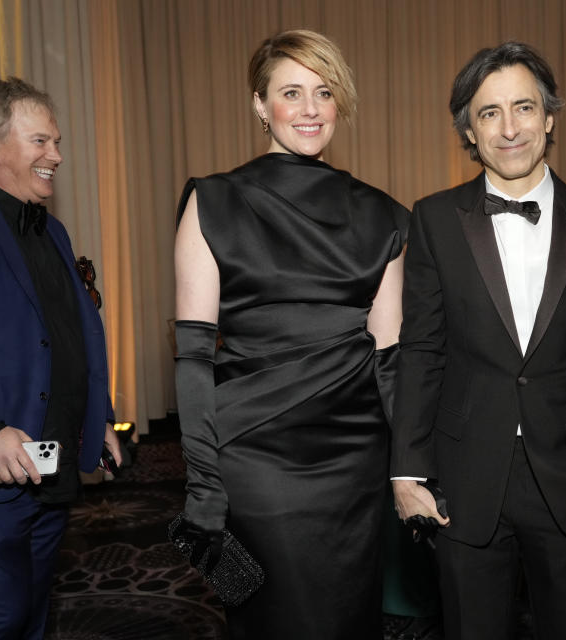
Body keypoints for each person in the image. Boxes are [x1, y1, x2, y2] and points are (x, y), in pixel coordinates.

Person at [390, 42, 566, 639]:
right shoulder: (432, 220)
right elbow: (422, 351)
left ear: (549, 116)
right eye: (489, 113)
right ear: (469, 131)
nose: (510, 129)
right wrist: (406, 471)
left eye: (524, 108)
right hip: (463, 479)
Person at [173, 30, 408, 639]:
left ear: (340, 104)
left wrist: (411, 470)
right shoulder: (213, 200)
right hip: (256, 454)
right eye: (291, 92)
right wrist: (203, 484)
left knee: (348, 615)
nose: (309, 110)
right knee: (275, 617)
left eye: (324, 93)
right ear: (259, 104)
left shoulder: (384, 213)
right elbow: (194, 357)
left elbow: (389, 361)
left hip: (355, 458)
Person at [0, 76, 120, 639]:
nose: (58, 156)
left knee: (34, 613)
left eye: (57, 142)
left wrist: (100, 415)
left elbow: (69, 334)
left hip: (50, 465)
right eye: (41, 142)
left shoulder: (53, 231)